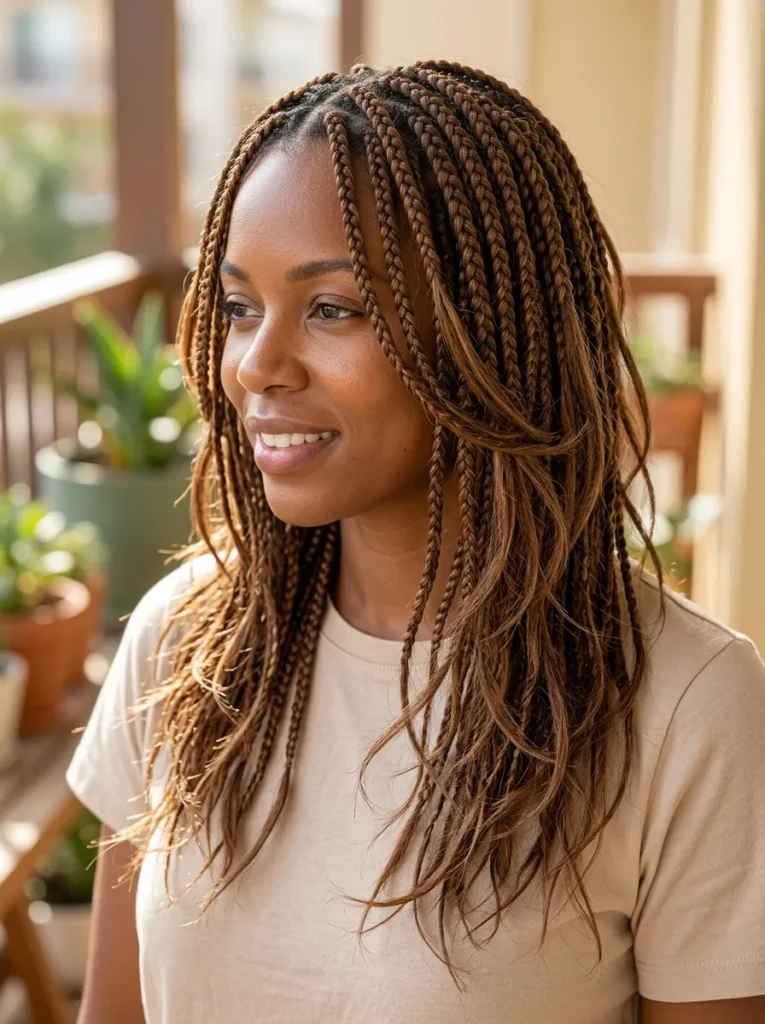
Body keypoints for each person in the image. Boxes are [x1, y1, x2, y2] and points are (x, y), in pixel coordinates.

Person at [67, 62, 765, 1024]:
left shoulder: (684, 702)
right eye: (237, 307)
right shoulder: (185, 644)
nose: (256, 364)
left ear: (490, 331)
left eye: (330, 308)